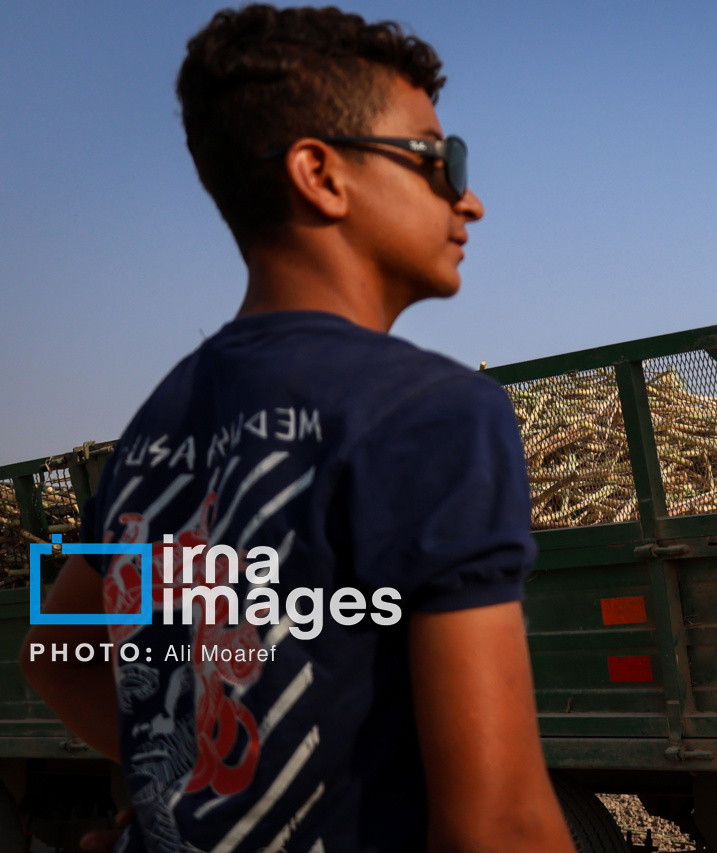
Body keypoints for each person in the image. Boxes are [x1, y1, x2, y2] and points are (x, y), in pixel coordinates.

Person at [20, 6, 576, 852]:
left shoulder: (156, 422)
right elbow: (499, 826)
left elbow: (51, 648)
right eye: (438, 157)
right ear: (321, 173)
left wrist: (174, 786)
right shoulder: (434, 412)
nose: (470, 198)